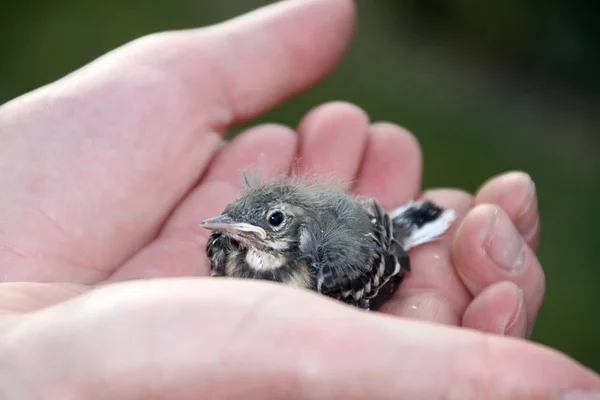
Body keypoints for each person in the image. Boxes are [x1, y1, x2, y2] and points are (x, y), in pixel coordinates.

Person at [0, 0, 598, 398]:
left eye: (270, 223)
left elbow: (383, 266)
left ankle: (412, 221)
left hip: (379, 229)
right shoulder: (226, 251)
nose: (234, 234)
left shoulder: (333, 271)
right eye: (238, 226)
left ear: (297, 235)